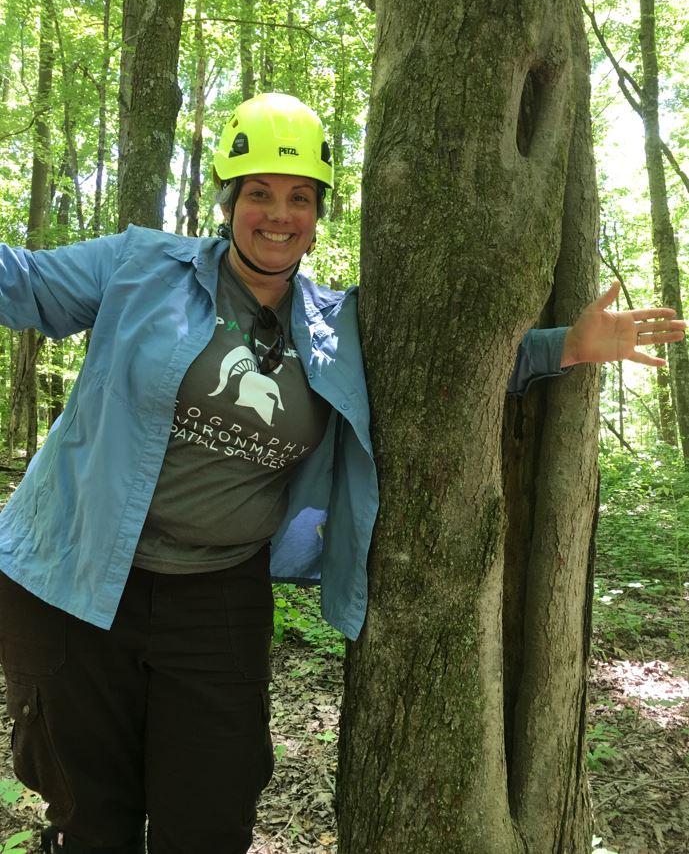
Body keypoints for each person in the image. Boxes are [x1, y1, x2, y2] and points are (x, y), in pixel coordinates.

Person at [0, 92, 684, 854]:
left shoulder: (337, 328)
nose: (277, 214)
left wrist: (566, 346)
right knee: (91, 816)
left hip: (217, 593)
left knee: (211, 817)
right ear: (229, 200)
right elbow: (21, 282)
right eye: (258, 192)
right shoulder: (140, 265)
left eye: (299, 197)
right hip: (72, 574)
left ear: (318, 213)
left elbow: (448, 368)